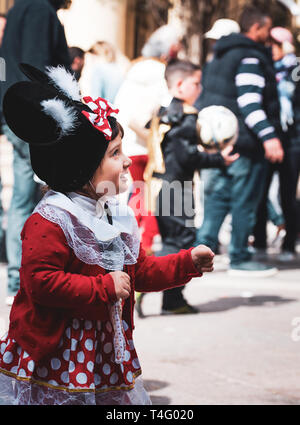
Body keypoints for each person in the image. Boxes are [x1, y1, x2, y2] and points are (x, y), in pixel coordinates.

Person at [0, 63, 214, 405]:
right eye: (115, 153)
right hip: (57, 355)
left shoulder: (117, 215)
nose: (128, 162)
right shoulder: (53, 219)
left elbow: (139, 273)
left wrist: (186, 263)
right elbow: (40, 281)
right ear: (81, 167)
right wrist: (102, 286)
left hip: (104, 353)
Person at [196, 6, 285, 276]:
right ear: (256, 28)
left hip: (219, 141)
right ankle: (239, 256)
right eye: (266, 28)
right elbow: (249, 102)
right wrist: (269, 137)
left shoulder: (217, 56)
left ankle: (202, 251)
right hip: (245, 143)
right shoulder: (250, 56)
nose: (268, 35)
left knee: (217, 198)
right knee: (244, 200)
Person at [143, 60, 238, 315]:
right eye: (196, 83)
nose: (200, 87)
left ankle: (159, 290)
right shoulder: (186, 115)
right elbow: (187, 158)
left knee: (172, 240)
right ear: (180, 85)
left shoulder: (161, 112)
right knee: (181, 242)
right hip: (175, 188)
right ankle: (168, 297)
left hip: (156, 184)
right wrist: (219, 158)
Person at [0, 0, 71, 305]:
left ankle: (19, 277)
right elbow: (37, 66)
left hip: (17, 114)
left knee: (23, 197)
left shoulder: (18, 9)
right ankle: (31, 277)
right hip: (33, 117)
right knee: (48, 195)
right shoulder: (40, 10)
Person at [114, 24, 182, 257]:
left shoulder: (134, 71)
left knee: (137, 194)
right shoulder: (161, 75)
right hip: (147, 147)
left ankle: (134, 242)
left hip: (126, 145)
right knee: (150, 199)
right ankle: (145, 247)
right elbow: (152, 113)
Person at [254, 26, 300, 261]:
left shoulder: (296, 68)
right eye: (268, 44)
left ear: (286, 46)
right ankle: (259, 241)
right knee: (260, 193)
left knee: (287, 195)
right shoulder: (264, 67)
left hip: (292, 141)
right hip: (269, 138)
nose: (270, 49)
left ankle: (290, 244)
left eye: (276, 44)